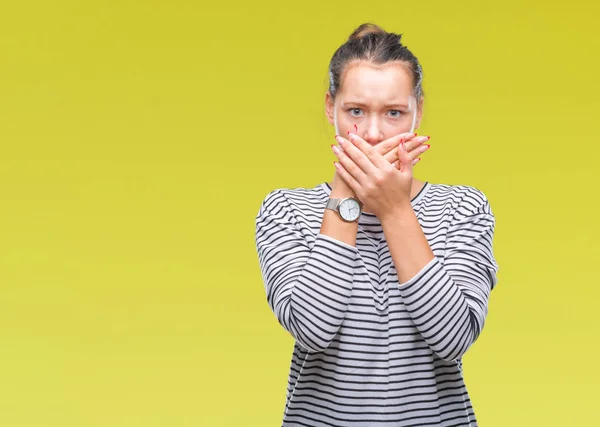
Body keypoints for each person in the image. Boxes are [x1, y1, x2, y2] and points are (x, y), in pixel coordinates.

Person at [254, 22, 500, 427]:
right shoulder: (286, 210)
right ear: (330, 106)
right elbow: (313, 328)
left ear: (418, 111)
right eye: (355, 111)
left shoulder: (463, 208)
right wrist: (347, 194)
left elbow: (453, 338)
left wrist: (395, 210)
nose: (371, 133)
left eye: (393, 113)